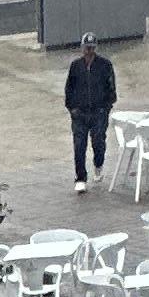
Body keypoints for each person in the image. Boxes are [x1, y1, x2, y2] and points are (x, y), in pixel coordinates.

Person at [65, 35, 118, 187]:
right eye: (87, 48)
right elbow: (69, 88)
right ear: (82, 48)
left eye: (92, 48)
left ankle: (98, 164)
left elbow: (111, 89)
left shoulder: (105, 65)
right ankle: (80, 178)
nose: (89, 51)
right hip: (80, 113)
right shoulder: (75, 66)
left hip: (98, 112)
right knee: (79, 145)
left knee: (98, 141)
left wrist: (105, 108)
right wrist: (72, 108)